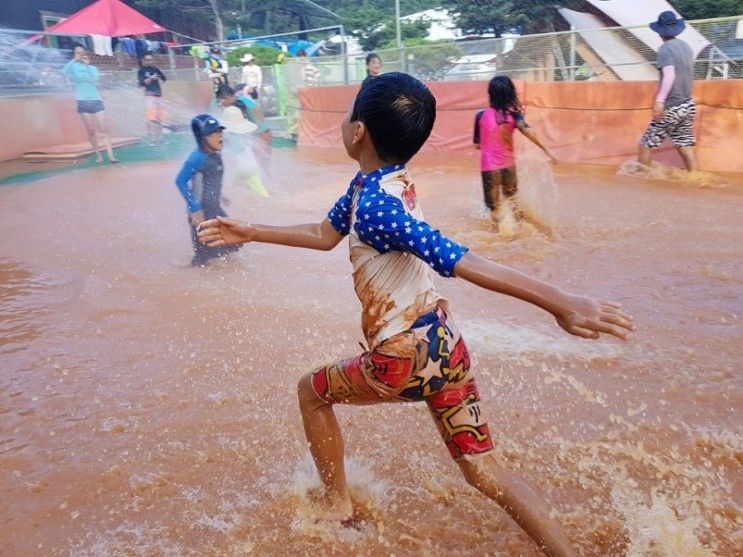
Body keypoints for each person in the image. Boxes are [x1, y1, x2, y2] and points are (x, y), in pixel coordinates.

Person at [197, 73, 634, 557]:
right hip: (445, 349)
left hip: (401, 359)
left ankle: (337, 502)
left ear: (357, 131)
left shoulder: (380, 208)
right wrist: (252, 230)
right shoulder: (375, 184)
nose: (344, 122)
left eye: (347, 115)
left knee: (312, 392)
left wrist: (561, 302)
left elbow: (465, 260)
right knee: (485, 472)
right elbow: (324, 234)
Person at [473, 76, 556, 222]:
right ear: (510, 93)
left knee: (493, 209)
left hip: (490, 169)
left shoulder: (480, 116)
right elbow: (529, 132)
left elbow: (477, 145)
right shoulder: (514, 116)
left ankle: (500, 237)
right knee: (513, 204)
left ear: (490, 93)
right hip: (509, 168)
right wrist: (546, 150)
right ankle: (518, 232)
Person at [175, 114, 241, 267]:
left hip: (214, 208)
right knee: (202, 258)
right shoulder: (197, 158)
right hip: (202, 213)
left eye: (220, 132)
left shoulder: (215, 154)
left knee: (232, 243)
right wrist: (195, 208)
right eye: (214, 133)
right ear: (203, 137)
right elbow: (180, 181)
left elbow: (208, 180)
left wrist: (220, 195)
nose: (220, 136)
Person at [638, 11, 698, 171]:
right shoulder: (686, 47)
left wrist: (660, 100)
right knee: (685, 144)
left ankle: (640, 181)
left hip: (672, 106)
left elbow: (669, 75)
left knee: (646, 143)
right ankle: (696, 178)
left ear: (659, 31)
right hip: (688, 104)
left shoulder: (665, 49)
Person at [61, 45, 118, 164]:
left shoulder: (92, 68)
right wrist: (74, 60)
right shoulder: (73, 66)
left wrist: (86, 65)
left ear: (86, 54)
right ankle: (98, 155)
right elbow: (63, 72)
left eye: (82, 52)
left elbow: (95, 81)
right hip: (82, 100)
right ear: (75, 54)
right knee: (91, 130)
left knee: (103, 128)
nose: (80, 54)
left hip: (96, 99)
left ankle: (111, 155)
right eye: (77, 52)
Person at [217, 84, 272, 174]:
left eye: (221, 100)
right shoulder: (241, 101)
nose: (220, 103)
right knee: (261, 165)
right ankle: (266, 182)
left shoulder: (240, 104)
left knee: (257, 165)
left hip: (262, 135)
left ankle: (261, 183)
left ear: (226, 97)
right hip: (264, 133)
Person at [221, 105, 268, 198]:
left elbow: (232, 152)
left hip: (240, 168)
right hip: (254, 167)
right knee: (262, 193)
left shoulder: (229, 135)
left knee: (226, 187)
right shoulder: (244, 135)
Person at [137, 54, 167, 145]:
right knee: (151, 119)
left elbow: (164, 79)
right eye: (147, 60)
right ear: (143, 60)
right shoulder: (141, 71)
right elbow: (141, 84)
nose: (149, 61)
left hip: (159, 96)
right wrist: (150, 78)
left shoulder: (155, 69)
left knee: (159, 118)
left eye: (151, 59)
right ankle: (153, 139)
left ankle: (160, 138)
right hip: (149, 96)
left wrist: (159, 81)